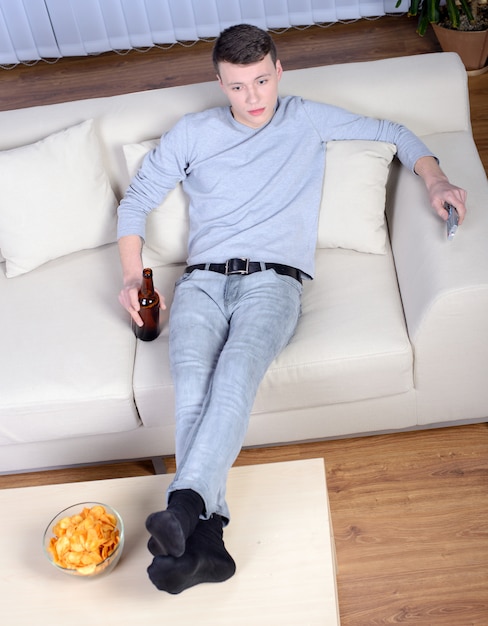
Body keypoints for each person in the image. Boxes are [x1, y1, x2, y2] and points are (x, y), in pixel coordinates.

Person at [117, 24, 467, 593]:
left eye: (261, 81)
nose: (253, 98)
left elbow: (396, 132)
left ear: (279, 71)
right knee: (191, 390)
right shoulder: (193, 133)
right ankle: (204, 545)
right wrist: (132, 276)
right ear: (219, 83)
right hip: (201, 283)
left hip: (273, 285)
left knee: (235, 374)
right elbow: (135, 202)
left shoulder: (305, 117)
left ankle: (183, 510)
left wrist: (436, 181)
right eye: (237, 87)